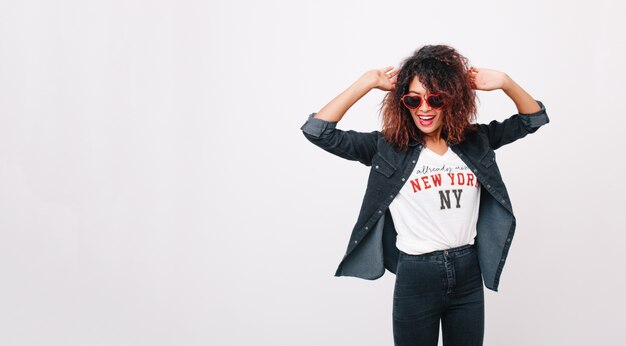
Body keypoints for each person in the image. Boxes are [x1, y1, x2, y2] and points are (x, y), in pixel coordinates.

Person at [299, 44, 549, 346]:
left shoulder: (475, 141)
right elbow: (317, 131)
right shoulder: (389, 148)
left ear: (453, 101)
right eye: (414, 99)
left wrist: (506, 82)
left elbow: (532, 119)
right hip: (416, 276)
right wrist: (366, 82)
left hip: (468, 271)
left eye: (436, 99)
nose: (424, 108)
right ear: (403, 101)